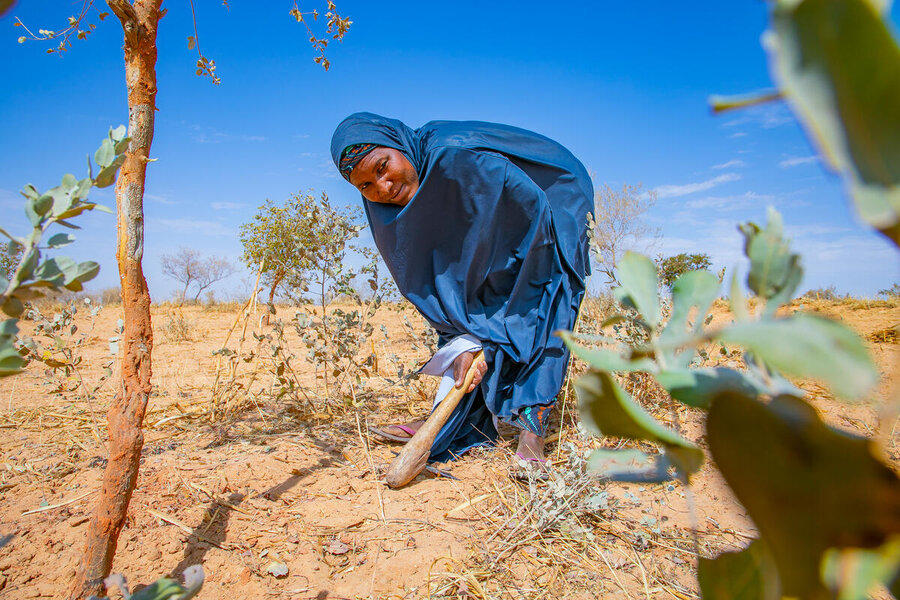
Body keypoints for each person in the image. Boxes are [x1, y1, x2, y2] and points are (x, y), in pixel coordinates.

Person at [330, 112, 593, 465]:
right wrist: (467, 340)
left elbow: (528, 248)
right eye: (366, 186)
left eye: (382, 167)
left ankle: (533, 424)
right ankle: (459, 420)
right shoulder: (385, 206)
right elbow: (439, 284)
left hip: (549, 200)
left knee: (549, 298)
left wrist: (491, 330)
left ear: (398, 146)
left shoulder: (461, 160)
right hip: (486, 221)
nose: (384, 188)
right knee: (465, 313)